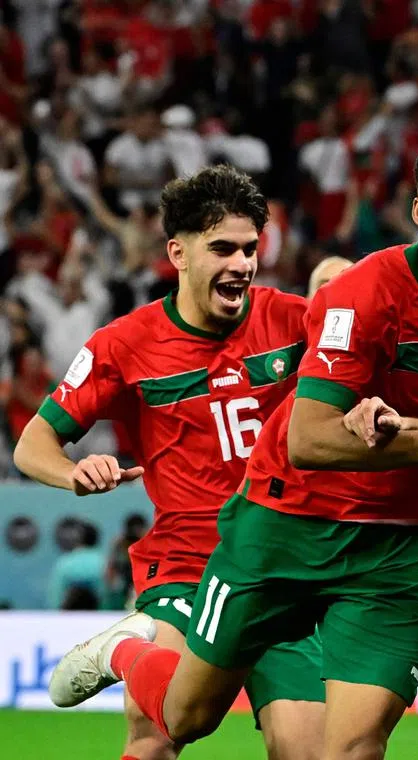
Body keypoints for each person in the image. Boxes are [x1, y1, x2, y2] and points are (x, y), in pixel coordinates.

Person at [47, 135, 418, 760]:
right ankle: (124, 650)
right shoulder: (368, 293)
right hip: (285, 527)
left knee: (347, 749)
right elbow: (310, 439)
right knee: (184, 719)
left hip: (400, 545)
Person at [15, 164, 325, 760]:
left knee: (308, 752)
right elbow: (34, 444)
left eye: (248, 249)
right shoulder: (124, 343)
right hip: (189, 563)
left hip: (285, 567)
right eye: (222, 249)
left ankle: (120, 651)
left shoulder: (293, 321)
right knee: (160, 732)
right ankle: (126, 648)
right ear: (177, 253)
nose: (240, 263)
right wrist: (74, 473)